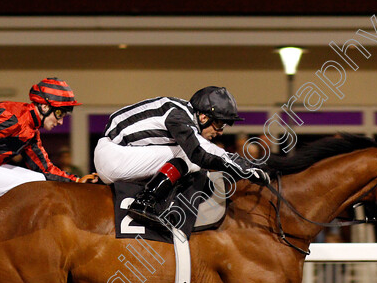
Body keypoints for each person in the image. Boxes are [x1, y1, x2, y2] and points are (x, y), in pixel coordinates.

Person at [93, 86, 269, 229]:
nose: (221, 131)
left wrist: (244, 165)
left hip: (117, 154)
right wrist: (239, 168)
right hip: (113, 157)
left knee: (187, 153)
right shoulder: (177, 115)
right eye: (219, 123)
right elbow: (199, 154)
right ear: (203, 116)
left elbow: (208, 149)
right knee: (188, 155)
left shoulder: (181, 112)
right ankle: (146, 201)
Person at [0, 77, 91, 198]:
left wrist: (77, 181)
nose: (60, 121)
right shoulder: (13, 118)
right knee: (34, 184)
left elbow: (45, 170)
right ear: (44, 107)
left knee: (39, 179)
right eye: (60, 113)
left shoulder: (32, 132)